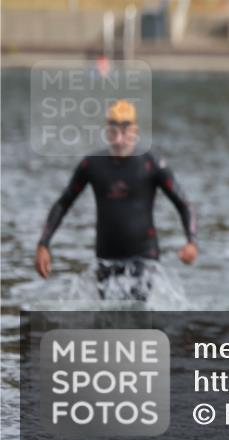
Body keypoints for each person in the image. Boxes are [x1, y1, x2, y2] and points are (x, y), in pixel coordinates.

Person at [35, 99, 198, 300]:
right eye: (114, 133)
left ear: (135, 132)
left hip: (144, 257)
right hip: (105, 257)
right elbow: (63, 202)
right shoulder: (92, 165)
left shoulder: (152, 165)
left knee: (135, 315)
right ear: (107, 132)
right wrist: (43, 244)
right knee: (109, 321)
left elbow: (183, 204)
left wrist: (191, 242)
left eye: (125, 132)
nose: (119, 140)